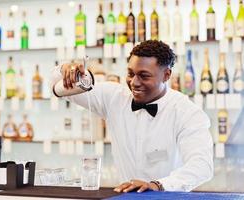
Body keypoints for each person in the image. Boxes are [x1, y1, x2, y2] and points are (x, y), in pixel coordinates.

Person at [51, 40, 213, 192]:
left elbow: (202, 166)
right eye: (130, 73)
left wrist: (157, 185)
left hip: (167, 196)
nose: (134, 82)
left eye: (144, 75)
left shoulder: (187, 113)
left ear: (166, 75)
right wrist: (65, 70)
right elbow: (58, 88)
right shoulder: (113, 97)